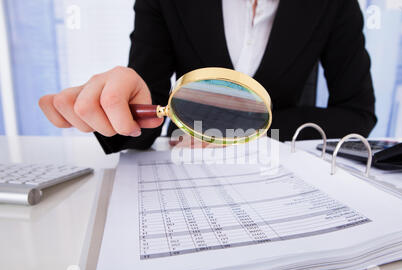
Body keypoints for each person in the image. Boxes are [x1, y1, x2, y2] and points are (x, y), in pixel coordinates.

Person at [39, 0, 377, 154]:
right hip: (186, 161)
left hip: (279, 166)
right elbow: (145, 124)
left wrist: (251, 132)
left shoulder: (336, 5)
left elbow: (357, 114)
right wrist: (116, 108)